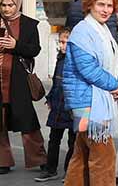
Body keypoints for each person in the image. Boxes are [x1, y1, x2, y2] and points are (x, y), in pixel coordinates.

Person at [64, 0, 118, 186]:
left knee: (81, 156)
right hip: (87, 105)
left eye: (110, 5)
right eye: (101, 4)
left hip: (93, 102)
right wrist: (115, 85)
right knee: (104, 158)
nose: (106, 10)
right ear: (90, 4)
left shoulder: (103, 30)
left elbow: (115, 64)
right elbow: (88, 69)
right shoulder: (83, 31)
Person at [0, 0, 45, 174]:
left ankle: (39, 158)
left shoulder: (29, 24)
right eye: (3, 5)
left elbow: (34, 49)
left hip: (18, 81)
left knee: (27, 120)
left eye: (10, 5)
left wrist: (15, 45)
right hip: (1, 80)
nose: (7, 9)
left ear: (17, 3)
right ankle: (3, 161)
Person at [34, 30, 74, 182]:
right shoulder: (60, 59)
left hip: (70, 107)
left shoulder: (78, 61)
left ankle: (69, 171)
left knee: (73, 141)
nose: (62, 46)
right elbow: (56, 83)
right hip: (57, 106)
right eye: (61, 42)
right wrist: (50, 98)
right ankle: (51, 169)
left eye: (66, 43)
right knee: (53, 140)